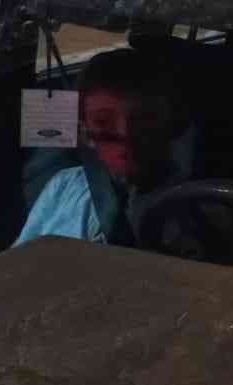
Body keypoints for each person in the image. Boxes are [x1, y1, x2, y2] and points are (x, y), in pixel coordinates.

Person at [18, 50, 189, 247]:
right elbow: (17, 262)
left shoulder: (196, 202)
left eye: (143, 120)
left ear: (172, 125)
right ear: (85, 131)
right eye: (103, 121)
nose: (125, 134)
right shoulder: (63, 186)